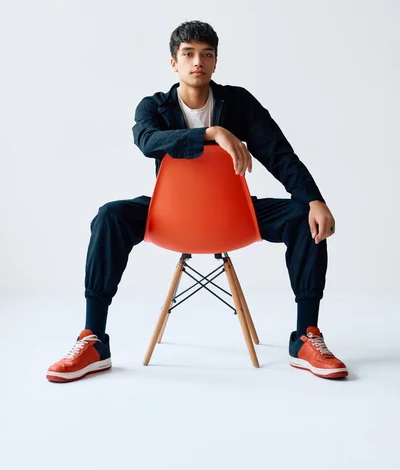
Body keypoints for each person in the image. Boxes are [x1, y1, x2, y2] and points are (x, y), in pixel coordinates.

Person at [46, 20, 347, 383]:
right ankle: (93, 340)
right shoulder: (154, 107)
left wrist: (315, 199)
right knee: (110, 216)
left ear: (216, 62)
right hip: (170, 215)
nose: (197, 62)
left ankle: (306, 337)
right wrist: (212, 133)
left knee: (303, 215)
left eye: (206, 55)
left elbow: (279, 154)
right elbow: (147, 141)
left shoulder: (238, 103)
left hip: (233, 214)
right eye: (188, 54)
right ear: (174, 63)